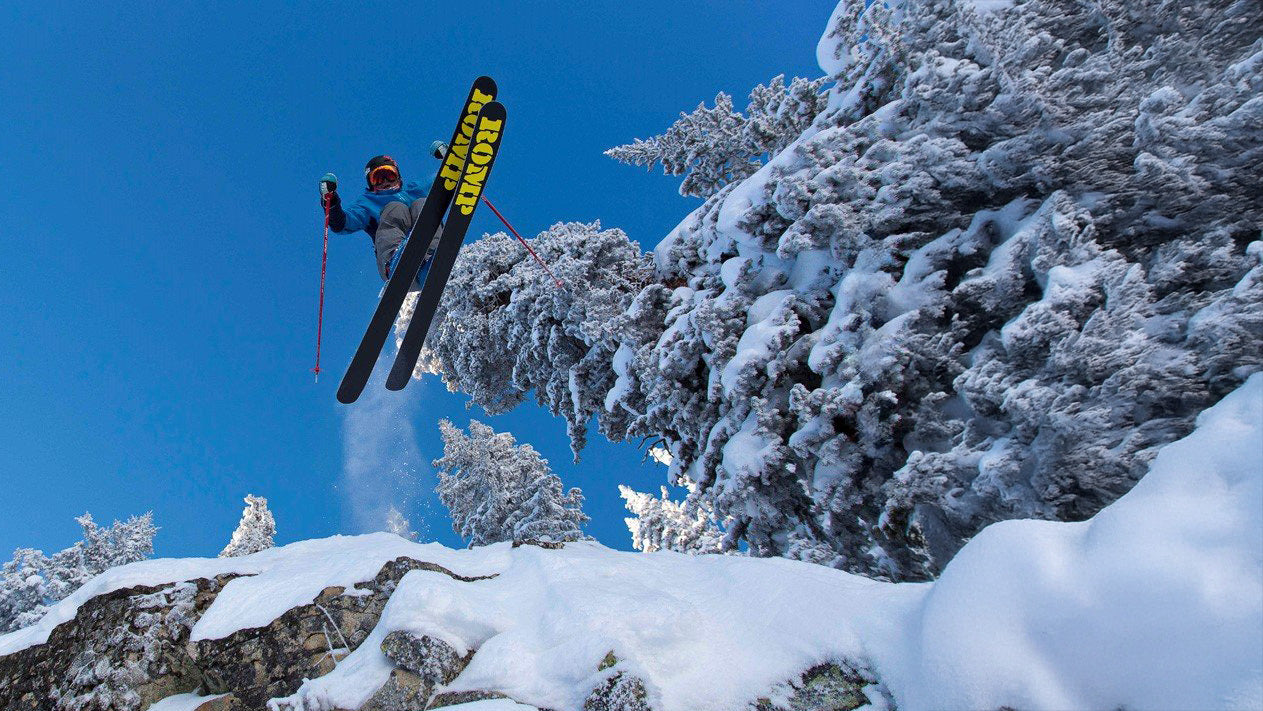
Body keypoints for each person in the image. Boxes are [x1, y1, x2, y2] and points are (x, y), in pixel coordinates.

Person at [319, 155, 439, 281]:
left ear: (399, 177)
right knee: (395, 208)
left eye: (390, 175)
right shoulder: (367, 204)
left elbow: (442, 179)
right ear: (371, 184)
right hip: (393, 264)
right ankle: (396, 259)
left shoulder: (413, 191)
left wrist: (454, 158)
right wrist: (331, 201)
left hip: (427, 258)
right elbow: (342, 223)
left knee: (421, 204)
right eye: (378, 179)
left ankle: (434, 257)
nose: (386, 182)